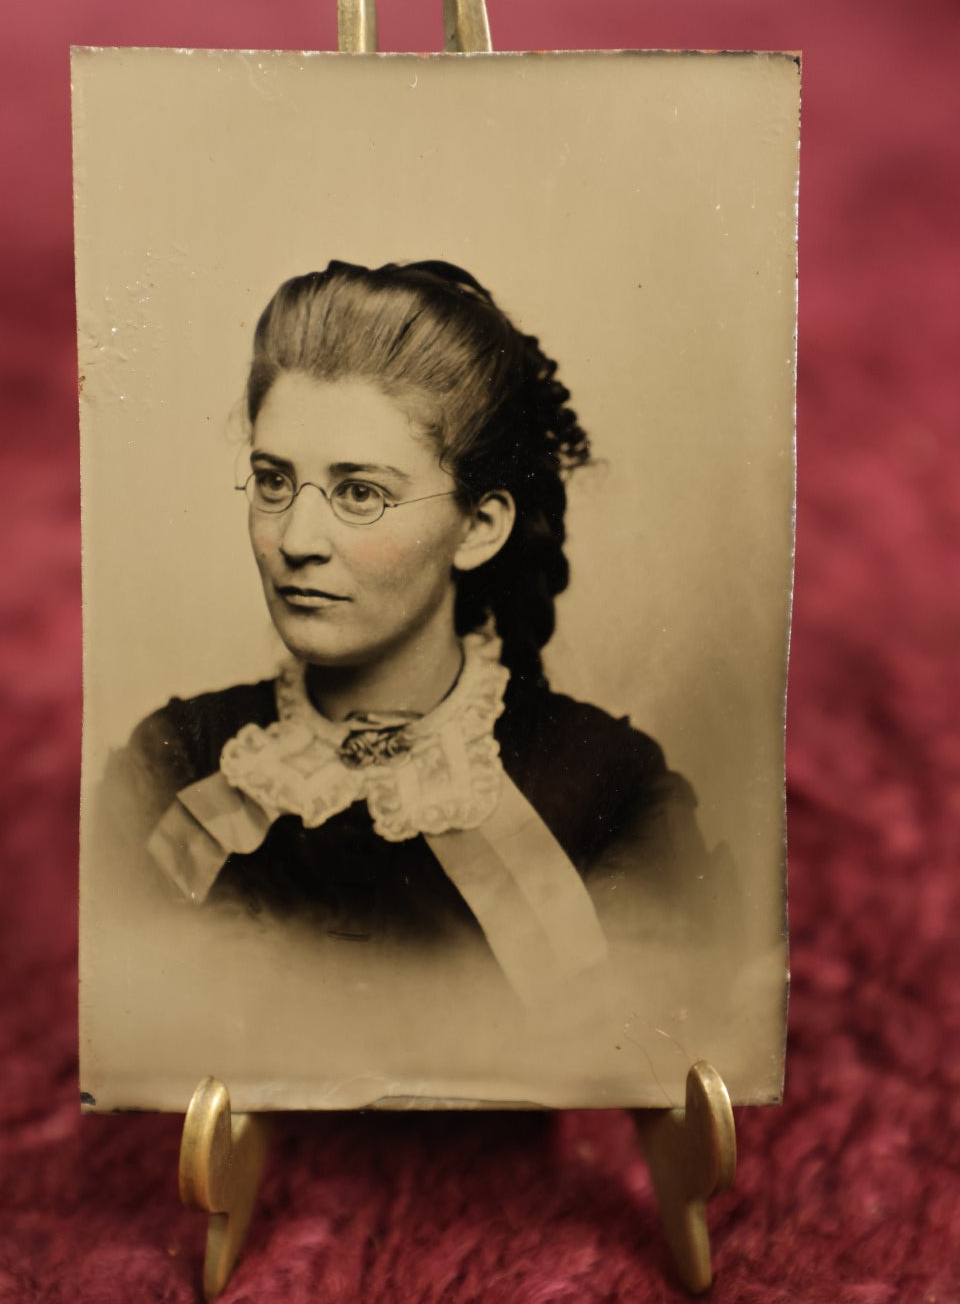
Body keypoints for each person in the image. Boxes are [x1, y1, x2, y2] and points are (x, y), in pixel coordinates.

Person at [109, 259, 718, 1012]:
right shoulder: (174, 764)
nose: (296, 537)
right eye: (273, 481)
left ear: (479, 526)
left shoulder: (609, 792)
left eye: (359, 492)